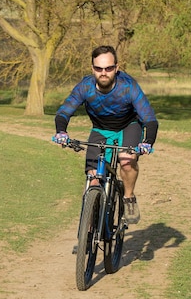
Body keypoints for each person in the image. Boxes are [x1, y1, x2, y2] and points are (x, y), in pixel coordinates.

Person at [53, 45, 158, 224]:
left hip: (128, 126)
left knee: (126, 161)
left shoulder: (128, 86)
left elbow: (150, 119)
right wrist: (61, 132)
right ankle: (88, 231)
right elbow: (64, 112)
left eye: (109, 68)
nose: (104, 73)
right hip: (100, 129)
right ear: (92, 68)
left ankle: (129, 197)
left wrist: (147, 142)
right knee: (93, 179)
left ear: (116, 68)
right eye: (99, 68)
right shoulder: (85, 86)